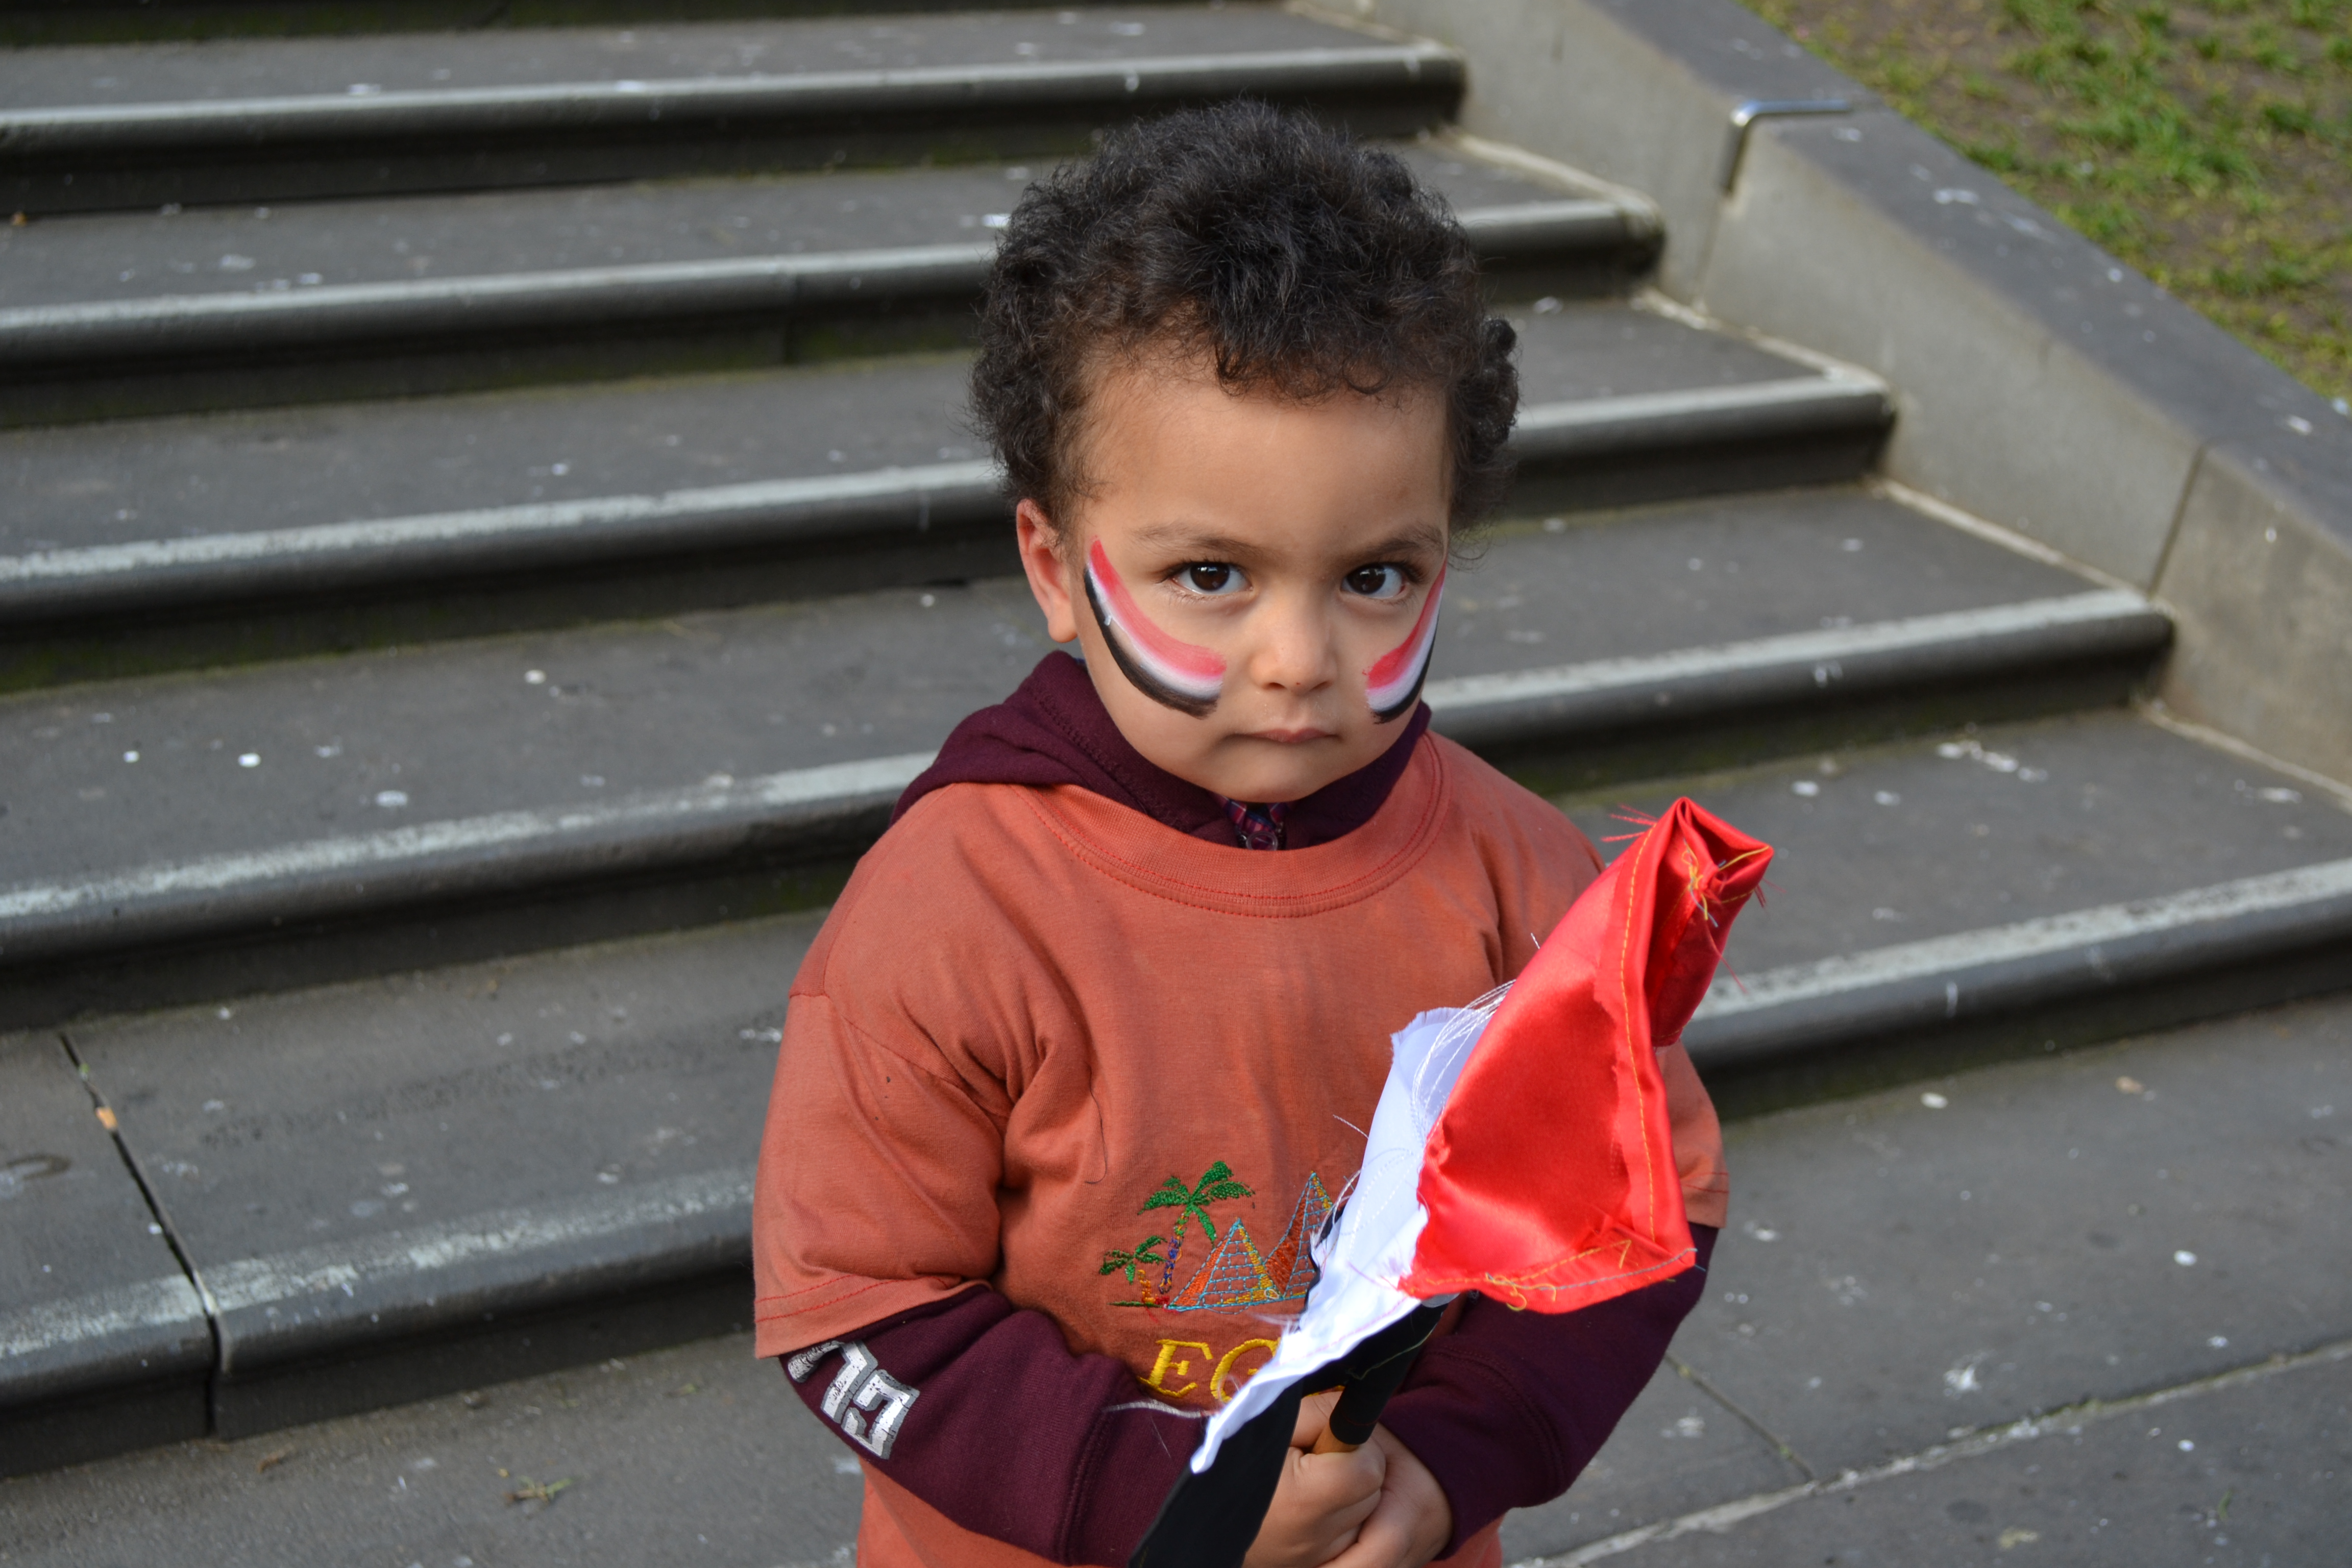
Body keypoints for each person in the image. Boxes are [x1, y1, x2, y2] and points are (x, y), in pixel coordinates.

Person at [751, 101, 1729, 1568]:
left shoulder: (1519, 874)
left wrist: (1450, 1463)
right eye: (1212, 572)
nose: (1296, 657)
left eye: (1376, 576)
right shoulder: (953, 907)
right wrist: (1164, 1495)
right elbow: (853, 1313)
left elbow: (1646, 1209)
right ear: (1055, 569)